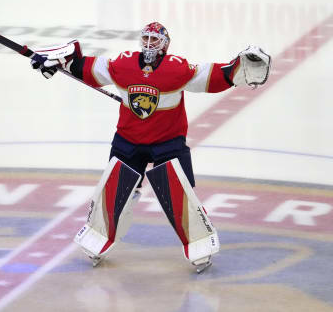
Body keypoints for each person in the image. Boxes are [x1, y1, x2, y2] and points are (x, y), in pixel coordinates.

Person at [30, 22, 271, 271]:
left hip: (168, 142)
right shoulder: (122, 64)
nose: (149, 44)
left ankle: (200, 244)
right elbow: (86, 67)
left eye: (155, 39)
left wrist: (237, 69)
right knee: (115, 192)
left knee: (180, 194)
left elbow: (213, 76)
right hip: (128, 140)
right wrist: (59, 63)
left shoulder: (177, 68)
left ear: (165, 44)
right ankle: (98, 237)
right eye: (146, 38)